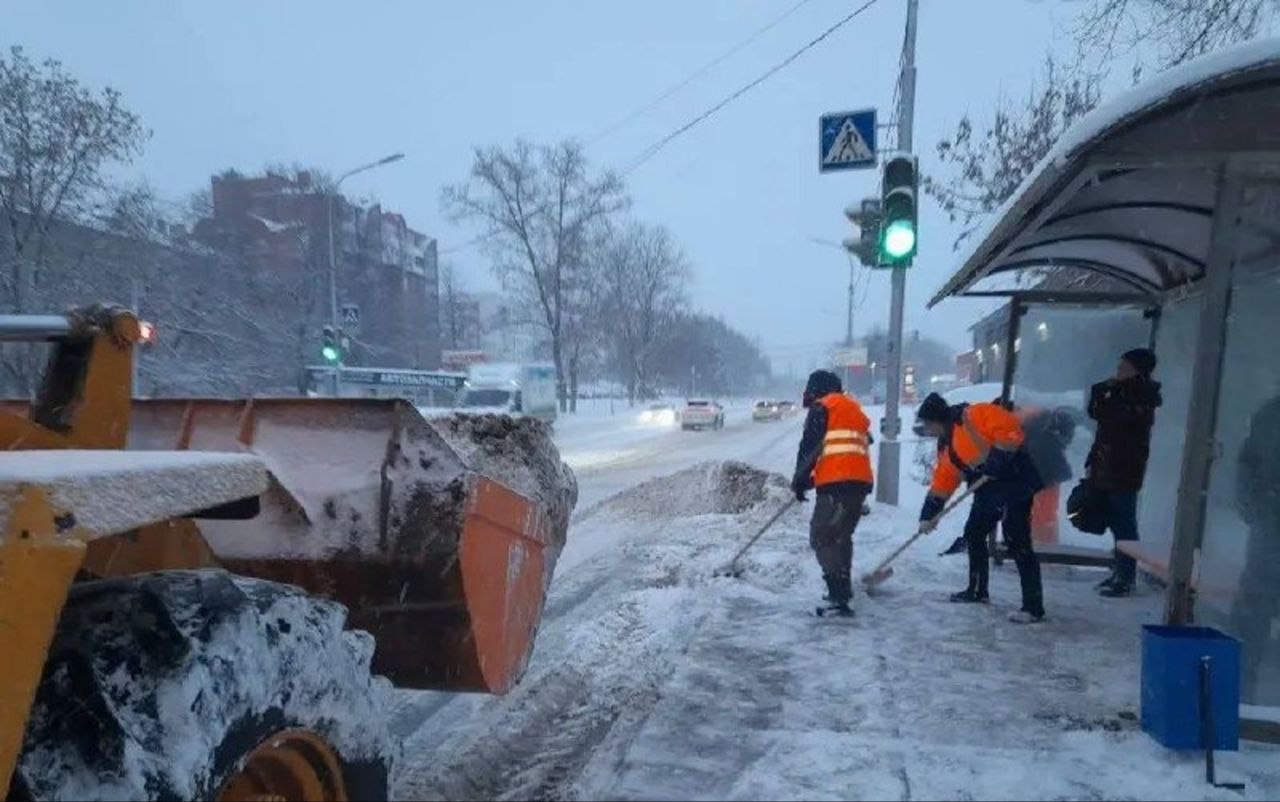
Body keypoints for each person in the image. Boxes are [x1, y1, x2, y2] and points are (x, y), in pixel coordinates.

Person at [915, 392, 1047, 623]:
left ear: (935, 420)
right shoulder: (947, 445)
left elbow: (1009, 428)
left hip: (1016, 480)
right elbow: (943, 481)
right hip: (988, 488)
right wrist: (929, 514)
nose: (926, 429)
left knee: (1017, 539)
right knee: (974, 534)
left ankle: (1033, 606)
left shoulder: (973, 414)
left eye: (926, 424)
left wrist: (999, 458)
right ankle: (977, 591)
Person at [791, 370, 874, 616]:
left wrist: (799, 481)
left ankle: (838, 596)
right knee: (842, 535)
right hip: (859, 485)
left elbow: (809, 448)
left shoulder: (823, 407)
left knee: (822, 536)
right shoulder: (853, 409)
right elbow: (859, 442)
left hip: (837, 486)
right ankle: (843, 590)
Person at [1086, 348, 1163, 597]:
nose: (1117, 371)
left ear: (1136, 369)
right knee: (1117, 523)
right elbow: (1097, 414)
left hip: (1124, 470)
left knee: (1124, 524)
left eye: (1123, 367)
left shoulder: (1141, 395)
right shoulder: (1121, 392)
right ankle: (1120, 571)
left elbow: (1114, 421)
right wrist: (1101, 390)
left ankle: (1126, 577)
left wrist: (1107, 393)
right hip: (1109, 467)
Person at [1231, 394, 1280, 703]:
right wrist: (1255, 508)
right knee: (1253, 609)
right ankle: (1240, 697)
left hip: (1269, 523)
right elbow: (1248, 463)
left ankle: (1241, 694)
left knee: (1252, 609)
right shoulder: (1272, 413)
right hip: (1271, 528)